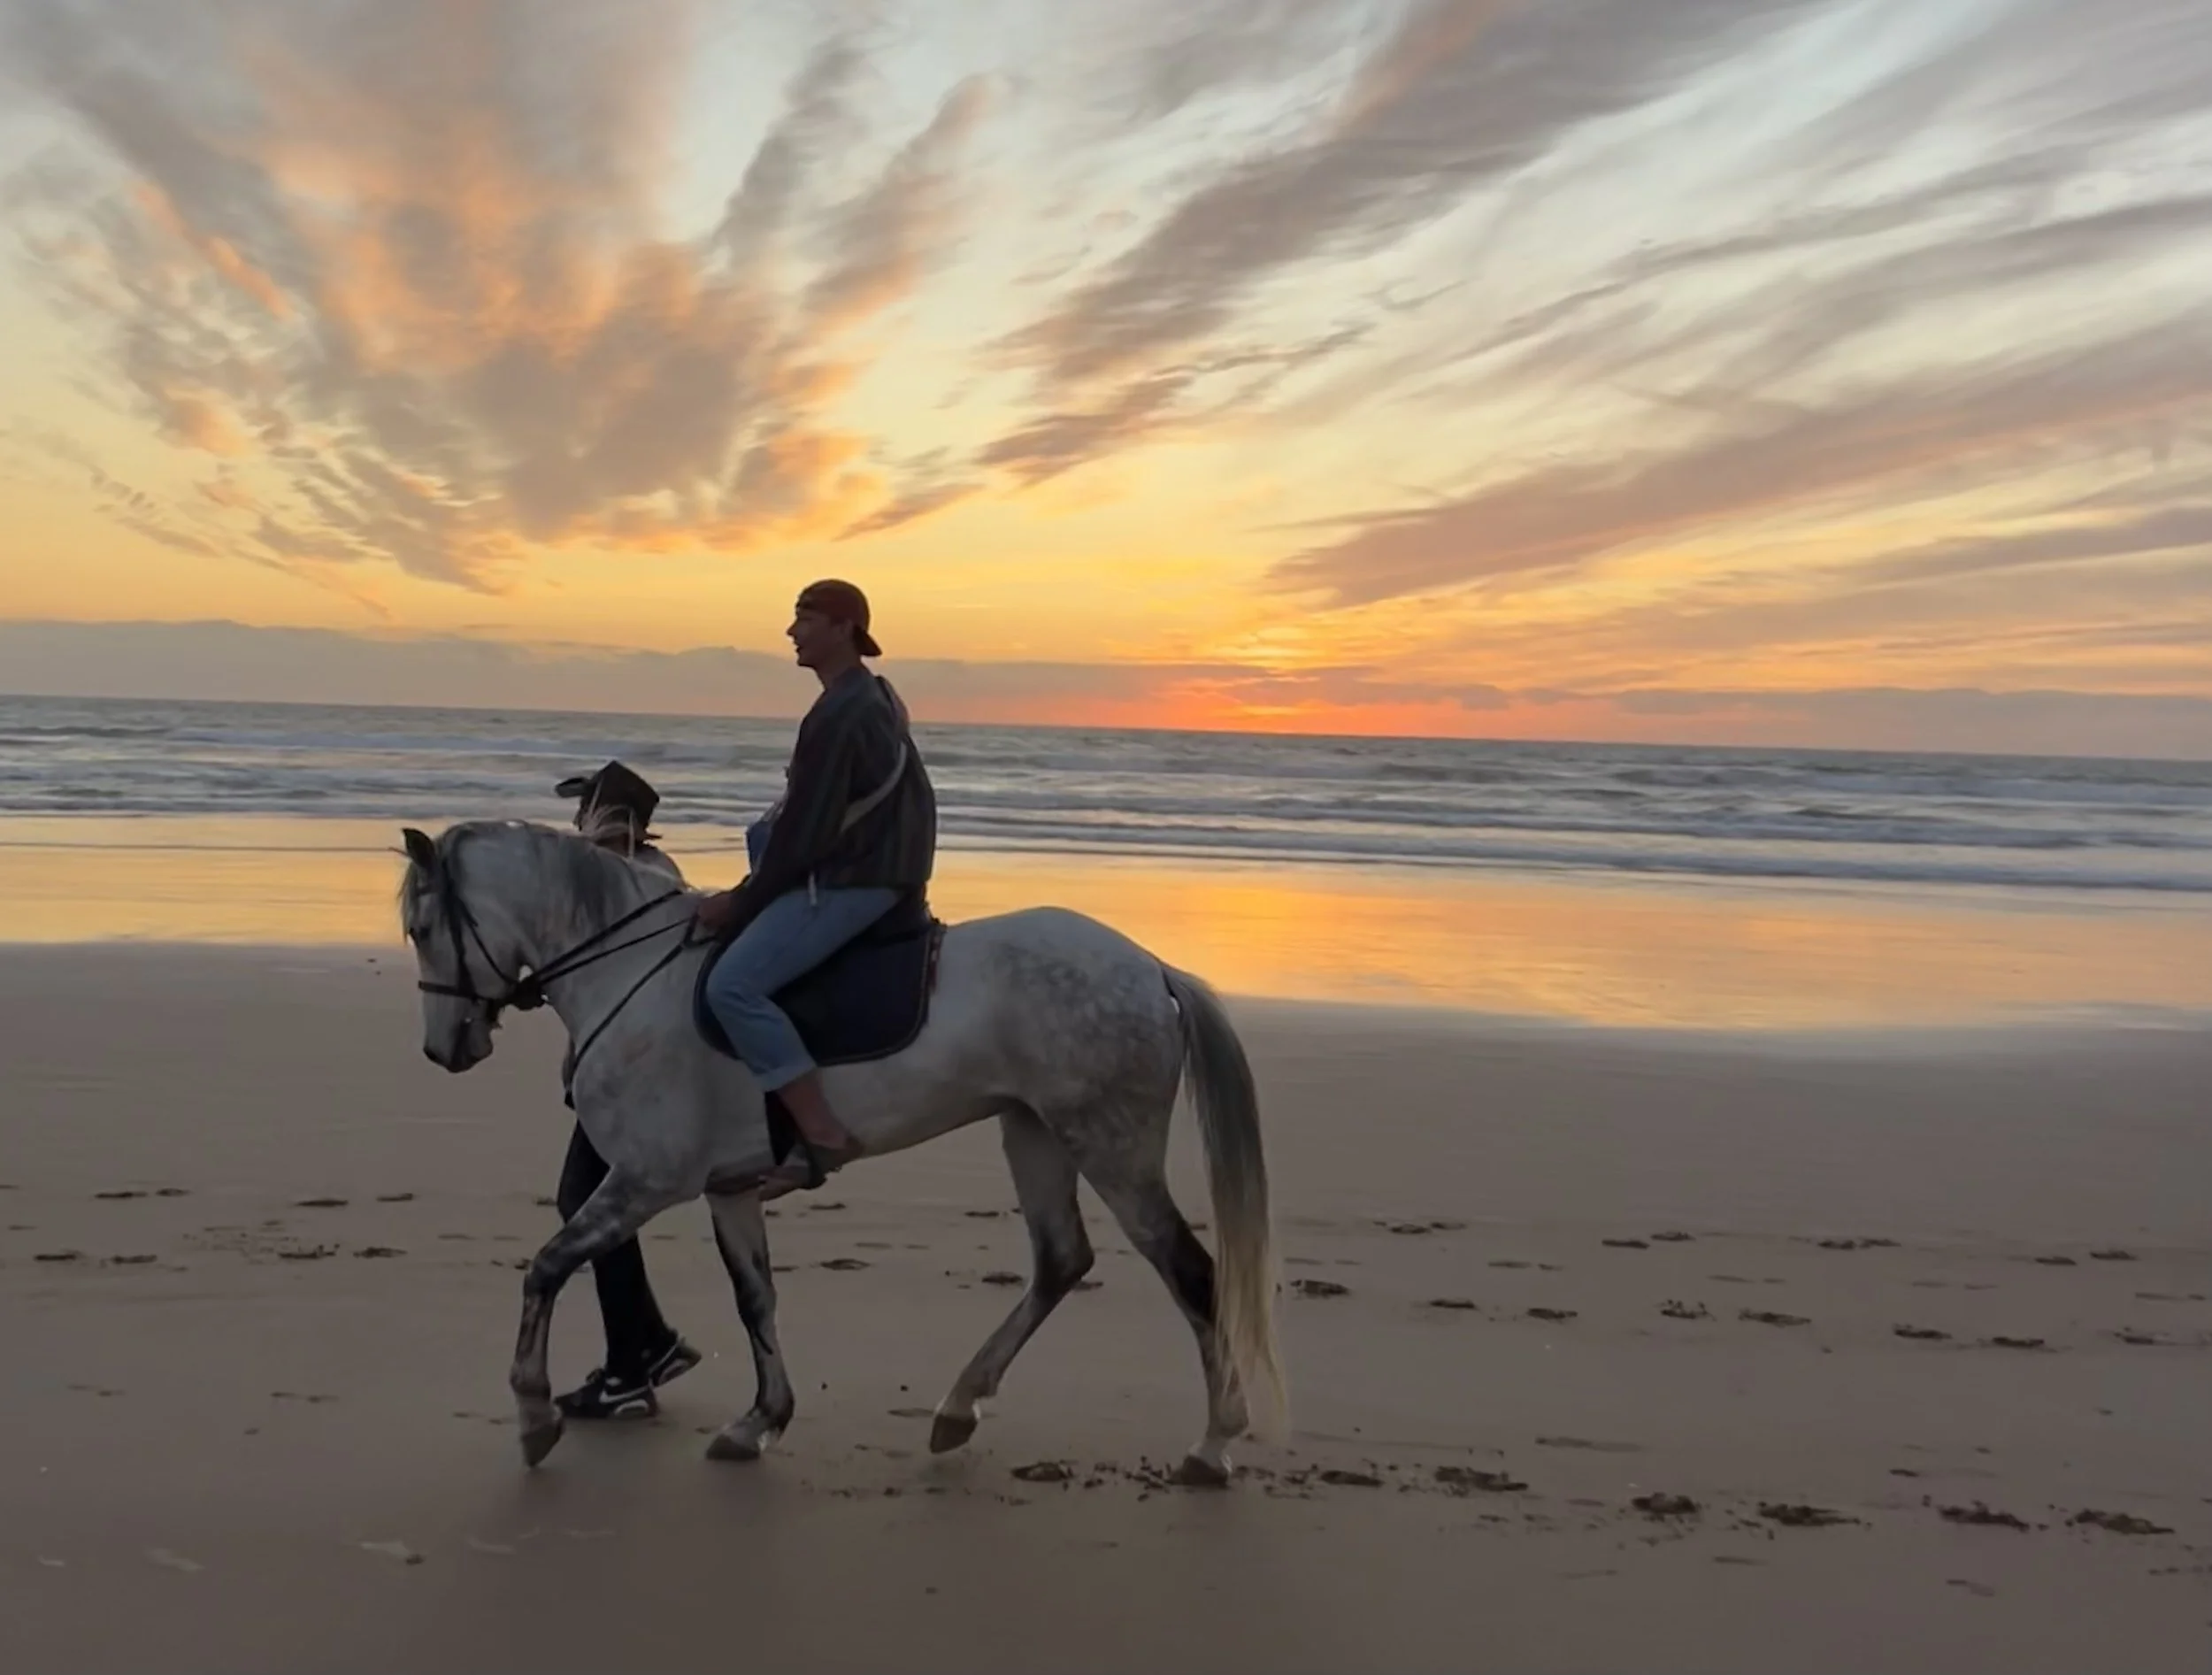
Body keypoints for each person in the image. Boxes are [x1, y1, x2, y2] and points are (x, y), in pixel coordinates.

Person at [696, 578, 937, 1195]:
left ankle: (822, 1130)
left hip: (857, 878)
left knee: (734, 984)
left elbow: (804, 834)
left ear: (843, 627)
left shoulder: (841, 712)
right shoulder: (878, 696)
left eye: (805, 617)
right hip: (881, 869)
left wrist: (743, 900)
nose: (792, 630)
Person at [547, 759, 701, 1420]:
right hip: (625, 1067)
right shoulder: (646, 879)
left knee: (584, 1202)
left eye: (585, 806)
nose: (577, 819)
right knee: (586, 1201)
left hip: (635, 1071)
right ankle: (645, 1347)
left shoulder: (633, 882)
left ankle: (632, 1367)